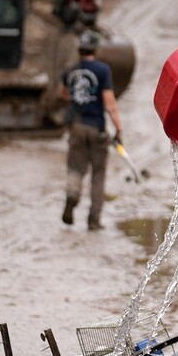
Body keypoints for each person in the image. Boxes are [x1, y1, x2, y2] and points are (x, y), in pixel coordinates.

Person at [59, 30, 123, 230]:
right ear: (95, 48)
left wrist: (79, 101)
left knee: (76, 168)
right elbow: (109, 102)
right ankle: (93, 220)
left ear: (79, 48)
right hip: (97, 127)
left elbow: (63, 94)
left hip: (76, 126)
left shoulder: (69, 70)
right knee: (98, 173)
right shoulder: (103, 70)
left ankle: (72, 195)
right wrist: (119, 128)